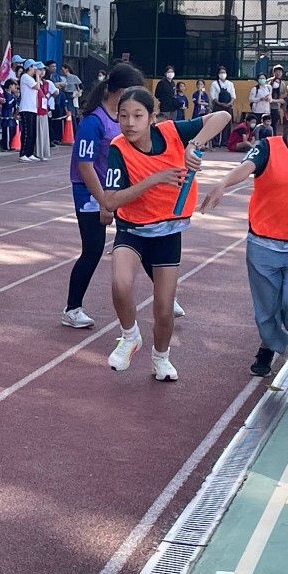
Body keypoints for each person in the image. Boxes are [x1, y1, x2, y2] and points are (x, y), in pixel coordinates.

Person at [200, 86, 288, 377]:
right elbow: (246, 167)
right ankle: (269, 345)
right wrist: (223, 183)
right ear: (287, 113)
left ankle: (279, 338)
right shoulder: (268, 147)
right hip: (263, 243)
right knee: (267, 308)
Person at [99, 88, 231, 381]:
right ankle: (130, 336)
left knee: (164, 309)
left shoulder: (172, 132)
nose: (129, 123)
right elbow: (110, 201)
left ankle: (161, 358)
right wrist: (154, 179)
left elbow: (222, 116)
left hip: (168, 231)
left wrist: (194, 144)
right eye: (123, 116)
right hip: (132, 229)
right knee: (120, 283)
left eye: (137, 115)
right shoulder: (118, 148)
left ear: (152, 118)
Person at [62, 62, 144, 329]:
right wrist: (104, 203)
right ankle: (72, 309)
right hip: (91, 193)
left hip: (117, 189)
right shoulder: (93, 122)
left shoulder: (122, 119)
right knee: (93, 250)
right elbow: (84, 166)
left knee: (144, 238)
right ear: (119, 91)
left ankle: (168, 296)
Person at [17, 59, 41, 161]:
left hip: (32, 108)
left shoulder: (30, 78)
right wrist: (38, 76)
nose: (36, 68)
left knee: (33, 132)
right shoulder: (25, 77)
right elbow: (37, 87)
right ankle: (23, 153)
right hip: (26, 108)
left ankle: (29, 152)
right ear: (30, 67)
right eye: (34, 66)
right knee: (27, 132)